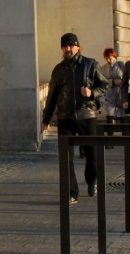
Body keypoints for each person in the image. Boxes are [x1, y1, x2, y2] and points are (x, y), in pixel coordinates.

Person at [42, 33, 109, 203]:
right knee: (65, 158)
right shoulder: (58, 70)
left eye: (71, 45)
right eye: (65, 46)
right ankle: (71, 193)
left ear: (78, 47)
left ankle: (92, 181)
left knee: (92, 154)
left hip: (87, 116)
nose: (68, 49)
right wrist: (46, 118)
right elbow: (52, 96)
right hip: (65, 118)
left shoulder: (90, 64)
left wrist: (92, 93)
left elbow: (104, 85)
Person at [100, 48, 125, 146]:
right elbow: (102, 81)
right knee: (109, 114)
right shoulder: (104, 68)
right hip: (109, 94)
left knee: (122, 115)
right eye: (106, 58)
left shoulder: (121, 65)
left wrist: (119, 81)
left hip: (120, 93)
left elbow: (126, 79)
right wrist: (113, 82)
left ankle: (125, 138)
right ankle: (110, 140)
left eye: (110, 58)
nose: (109, 60)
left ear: (114, 56)